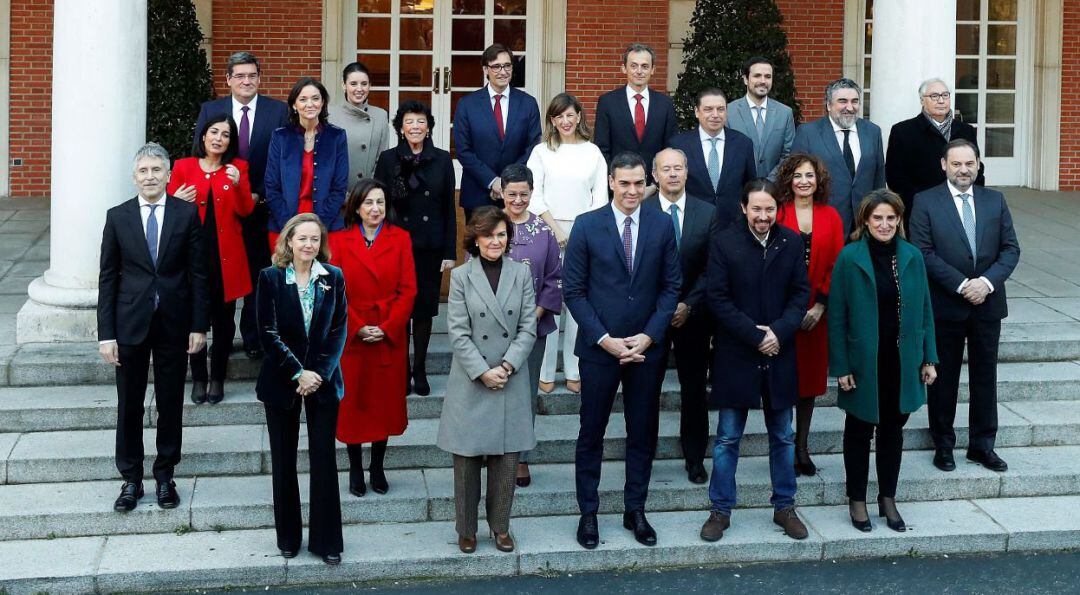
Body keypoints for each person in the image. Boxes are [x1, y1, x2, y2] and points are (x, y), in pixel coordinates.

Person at [563, 152, 681, 550]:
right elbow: (573, 291)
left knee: (642, 433)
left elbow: (670, 288)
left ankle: (636, 510)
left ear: (646, 181)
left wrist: (648, 336)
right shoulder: (587, 225)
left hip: (645, 349)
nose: (632, 191)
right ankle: (589, 513)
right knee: (591, 433)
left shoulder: (662, 224)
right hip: (600, 349)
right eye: (624, 183)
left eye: (637, 183)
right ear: (611, 182)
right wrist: (605, 339)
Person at [98, 142, 209, 512]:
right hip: (129, 325)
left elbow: (198, 274)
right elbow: (108, 278)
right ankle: (131, 479)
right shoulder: (118, 217)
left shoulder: (186, 214)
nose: (150, 177)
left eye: (156, 170)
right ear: (134, 177)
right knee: (128, 405)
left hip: (174, 324)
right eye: (143, 171)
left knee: (170, 403)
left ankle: (165, 475)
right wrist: (106, 334)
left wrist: (199, 325)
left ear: (168, 175)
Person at [700, 178, 809, 543]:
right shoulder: (724, 242)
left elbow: (800, 294)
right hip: (737, 354)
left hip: (780, 352)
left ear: (778, 209)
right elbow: (717, 298)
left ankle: (785, 506)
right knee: (728, 437)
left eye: (770, 209)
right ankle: (720, 511)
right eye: (757, 209)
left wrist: (778, 332)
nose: (764, 216)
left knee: (783, 435)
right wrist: (756, 335)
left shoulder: (791, 242)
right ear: (744, 208)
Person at [828, 190, 938, 532]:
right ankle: (857, 499)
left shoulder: (912, 256)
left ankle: (887, 497)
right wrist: (841, 366)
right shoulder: (849, 258)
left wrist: (929, 358)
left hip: (901, 360)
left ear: (899, 220)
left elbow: (924, 310)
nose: (885, 224)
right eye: (878, 218)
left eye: (891, 218)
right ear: (865, 220)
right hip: (864, 361)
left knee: (893, 432)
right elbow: (837, 316)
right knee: (859, 431)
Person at [909, 139, 1021, 473]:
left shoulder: (995, 200)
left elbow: (1010, 250)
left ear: (978, 165)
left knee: (985, 377)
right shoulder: (925, 201)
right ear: (944, 164)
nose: (963, 170)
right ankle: (943, 444)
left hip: (987, 304)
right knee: (943, 379)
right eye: (957, 164)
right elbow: (922, 251)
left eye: (969, 163)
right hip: (946, 304)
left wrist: (985, 283)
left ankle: (982, 446)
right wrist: (961, 285)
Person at [437, 206, 538, 554]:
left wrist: (507, 366)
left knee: (507, 461)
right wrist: (482, 370)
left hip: (510, 377)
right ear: (475, 239)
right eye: (488, 235)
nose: (495, 241)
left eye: (501, 234)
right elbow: (458, 332)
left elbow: (528, 326)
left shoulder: (521, 274)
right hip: (471, 378)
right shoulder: (462, 277)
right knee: (465, 463)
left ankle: (500, 527)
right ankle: (465, 528)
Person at [256, 213, 348, 565]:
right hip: (282, 381)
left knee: (323, 459)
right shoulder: (271, 278)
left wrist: (317, 374)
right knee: (283, 460)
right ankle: (288, 537)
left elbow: (338, 330)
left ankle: (327, 542)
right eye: (302, 239)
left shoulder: (333, 278)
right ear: (289, 241)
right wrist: (298, 373)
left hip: (322, 383)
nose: (308, 245)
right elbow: (268, 332)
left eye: (314, 239)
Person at [194, 51, 289, 360]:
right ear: (228, 80)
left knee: (258, 273)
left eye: (252, 76)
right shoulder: (212, 109)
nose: (246, 81)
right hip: (220, 209)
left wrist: (259, 193)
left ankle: (252, 337)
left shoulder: (277, 111)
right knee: (218, 273)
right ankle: (216, 334)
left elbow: (281, 160)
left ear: (259, 79)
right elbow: (199, 152)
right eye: (240, 76)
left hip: (262, 206)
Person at [330, 179, 417, 497]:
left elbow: (408, 289)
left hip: (387, 335)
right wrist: (356, 325)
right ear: (356, 206)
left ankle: (377, 466)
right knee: (353, 404)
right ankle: (354, 467)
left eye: (380, 202)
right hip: (352, 337)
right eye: (368, 203)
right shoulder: (338, 241)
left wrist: (389, 325)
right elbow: (334, 290)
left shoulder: (401, 238)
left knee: (384, 404)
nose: (375, 209)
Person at [168, 114, 256, 405]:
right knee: (194, 319)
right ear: (203, 136)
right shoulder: (183, 167)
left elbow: (245, 211)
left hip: (226, 260)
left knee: (223, 322)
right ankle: (199, 378)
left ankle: (217, 377)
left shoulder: (238, 168)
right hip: (191, 259)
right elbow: (168, 211)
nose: (219, 138)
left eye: (226, 134)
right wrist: (175, 198)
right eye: (214, 132)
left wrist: (239, 183)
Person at [643, 147, 717, 484]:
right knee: (647, 389)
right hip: (649, 318)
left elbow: (712, 267)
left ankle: (695, 457)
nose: (672, 174)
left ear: (687, 172)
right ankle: (643, 455)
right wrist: (663, 308)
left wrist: (688, 304)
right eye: (665, 169)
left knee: (693, 390)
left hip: (694, 316)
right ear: (654, 175)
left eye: (678, 168)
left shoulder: (708, 213)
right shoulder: (640, 210)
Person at [526, 92, 608, 396]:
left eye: (570, 115)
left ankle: (573, 368)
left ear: (579, 117)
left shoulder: (593, 152)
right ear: (552, 120)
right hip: (548, 230)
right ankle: (546, 371)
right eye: (559, 116)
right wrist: (555, 229)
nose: (565, 121)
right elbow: (534, 194)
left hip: (584, 233)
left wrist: (582, 233)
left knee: (577, 303)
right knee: (549, 302)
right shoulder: (541, 152)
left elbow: (600, 196)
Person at [374, 100, 457, 396]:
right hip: (395, 244)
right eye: (409, 122)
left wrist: (450, 252)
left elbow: (448, 206)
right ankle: (401, 370)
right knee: (398, 310)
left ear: (429, 127)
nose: (415, 127)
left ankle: (419, 369)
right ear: (400, 128)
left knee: (422, 311)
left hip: (429, 246)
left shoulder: (443, 160)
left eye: (421, 122)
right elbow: (378, 204)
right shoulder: (387, 159)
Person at [773, 153, 844, 476]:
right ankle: (783, 445)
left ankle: (802, 447)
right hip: (780, 313)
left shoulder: (830, 216)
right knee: (782, 381)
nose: (804, 181)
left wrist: (820, 306)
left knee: (809, 384)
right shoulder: (777, 213)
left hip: (817, 314)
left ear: (819, 181)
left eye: (810, 176)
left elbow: (837, 264)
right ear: (788, 179)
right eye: (798, 175)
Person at [500, 163, 562, 488]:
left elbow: (554, 279)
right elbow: (472, 272)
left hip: (532, 330)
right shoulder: (490, 226)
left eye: (524, 194)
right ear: (502, 193)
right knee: (493, 393)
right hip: (492, 331)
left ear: (531, 193)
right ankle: (495, 454)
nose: (518, 200)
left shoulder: (544, 232)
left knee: (524, 395)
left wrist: (534, 317)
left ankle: (521, 457)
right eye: (512, 194)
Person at [453, 43, 542, 221]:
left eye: (507, 66)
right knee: (480, 247)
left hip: (517, 195)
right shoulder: (467, 105)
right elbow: (463, 150)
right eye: (496, 66)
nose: (503, 71)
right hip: (478, 194)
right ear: (486, 69)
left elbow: (533, 147)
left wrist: (507, 182)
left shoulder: (528, 103)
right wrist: (492, 181)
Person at [791, 78, 886, 236]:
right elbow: (795, 180)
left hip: (864, 223)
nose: (850, 107)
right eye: (843, 101)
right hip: (822, 222)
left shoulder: (873, 132)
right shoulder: (808, 133)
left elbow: (878, 178)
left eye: (854, 101)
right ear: (829, 105)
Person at [887, 78, 985, 224]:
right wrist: (919, 203)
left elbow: (977, 167)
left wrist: (970, 198)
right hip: (920, 209)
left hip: (961, 206)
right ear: (922, 100)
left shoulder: (966, 130)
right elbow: (895, 176)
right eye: (934, 96)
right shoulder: (902, 131)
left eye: (945, 95)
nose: (941, 100)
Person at [264, 77, 350, 246]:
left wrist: (318, 227)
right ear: (294, 105)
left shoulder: (336, 137)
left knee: (324, 273)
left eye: (315, 98)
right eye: (303, 99)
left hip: (328, 227)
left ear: (323, 102)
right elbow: (271, 186)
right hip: (284, 226)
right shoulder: (280, 136)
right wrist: (291, 227)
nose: (310, 104)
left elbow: (339, 188)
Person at [667, 88, 756, 229]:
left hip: (733, 224)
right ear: (697, 112)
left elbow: (750, 185)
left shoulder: (743, 143)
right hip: (692, 224)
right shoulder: (679, 144)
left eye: (720, 109)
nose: (715, 115)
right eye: (708, 109)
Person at [593, 43, 679, 188]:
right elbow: (602, 149)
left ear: (653, 70)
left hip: (655, 189)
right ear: (624, 68)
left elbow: (670, 148)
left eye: (645, 66)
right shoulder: (607, 102)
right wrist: (615, 183)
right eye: (634, 66)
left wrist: (655, 186)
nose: (639, 71)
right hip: (619, 188)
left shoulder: (665, 104)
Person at [726, 56, 796, 179]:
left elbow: (788, 154)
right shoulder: (728, 111)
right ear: (745, 79)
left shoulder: (784, 113)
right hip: (739, 190)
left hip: (773, 190)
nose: (763, 81)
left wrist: (769, 182)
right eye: (757, 76)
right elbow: (725, 153)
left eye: (768, 76)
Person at [327, 62, 390, 189]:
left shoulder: (380, 115)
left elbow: (382, 159)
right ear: (344, 85)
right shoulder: (329, 114)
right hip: (338, 195)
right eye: (353, 84)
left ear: (370, 86)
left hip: (368, 195)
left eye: (364, 84)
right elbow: (325, 160)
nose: (359, 89)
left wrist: (370, 191)